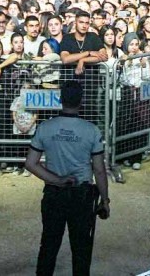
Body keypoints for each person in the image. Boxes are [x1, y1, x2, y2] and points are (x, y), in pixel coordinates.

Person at [24, 78, 111, 276]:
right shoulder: (91, 130)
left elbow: (31, 163)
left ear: (60, 99)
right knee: (81, 250)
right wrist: (105, 200)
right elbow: (99, 170)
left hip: (54, 194)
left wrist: (56, 180)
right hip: (81, 196)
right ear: (82, 101)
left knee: (48, 247)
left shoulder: (46, 127)